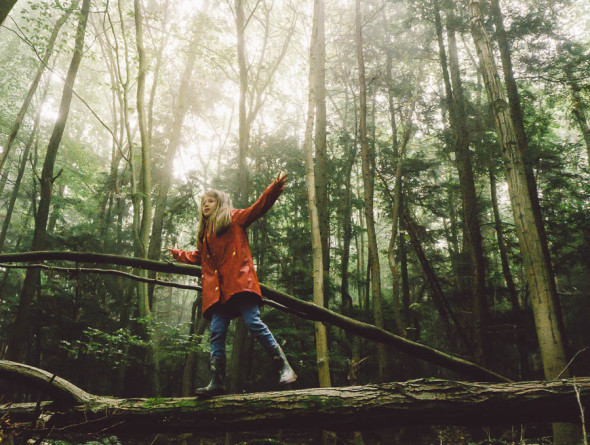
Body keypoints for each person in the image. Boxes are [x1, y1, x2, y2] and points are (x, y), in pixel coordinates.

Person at [168, 172, 296, 398]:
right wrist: (178, 254)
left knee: (253, 323)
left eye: (210, 201)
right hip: (217, 293)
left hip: (239, 283)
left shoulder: (235, 219)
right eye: (203, 202)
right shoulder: (204, 235)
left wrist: (275, 187)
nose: (205, 205)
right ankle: (216, 381)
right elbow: (198, 257)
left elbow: (259, 207)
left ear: (220, 203)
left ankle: (284, 367)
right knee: (216, 333)